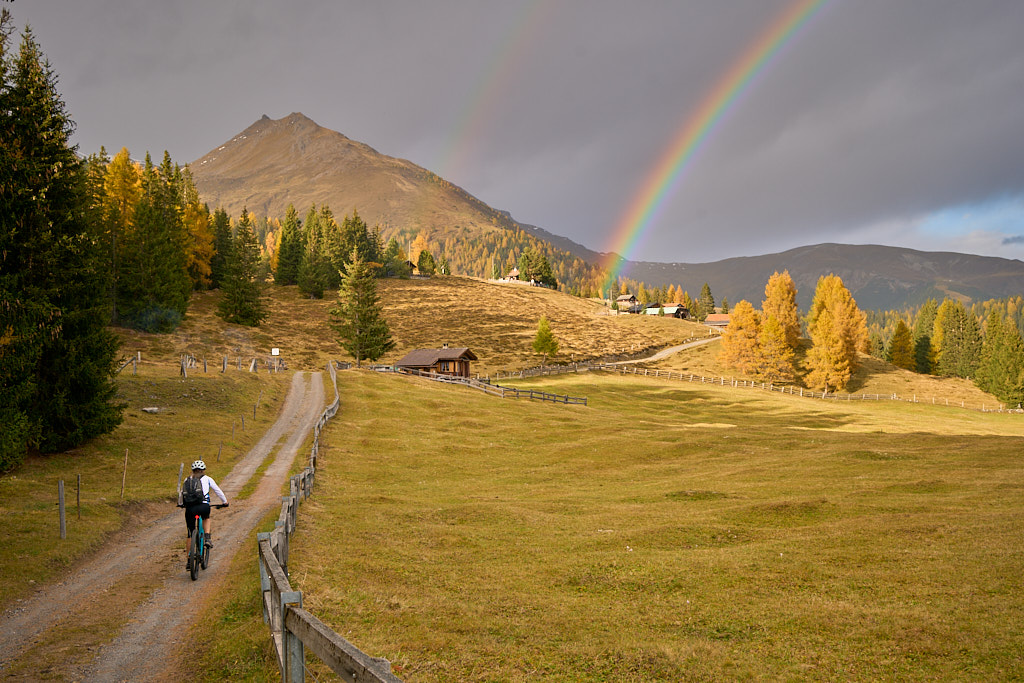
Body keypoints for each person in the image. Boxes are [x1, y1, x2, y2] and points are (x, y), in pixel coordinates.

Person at [180, 460, 228, 566]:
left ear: (193, 470)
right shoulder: (208, 479)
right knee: (206, 518)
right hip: (203, 506)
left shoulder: (187, 480)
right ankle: (207, 538)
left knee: (190, 533)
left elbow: (182, 493)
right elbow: (218, 491)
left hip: (190, 509)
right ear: (203, 470)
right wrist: (225, 502)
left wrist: (181, 504)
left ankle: (189, 560)